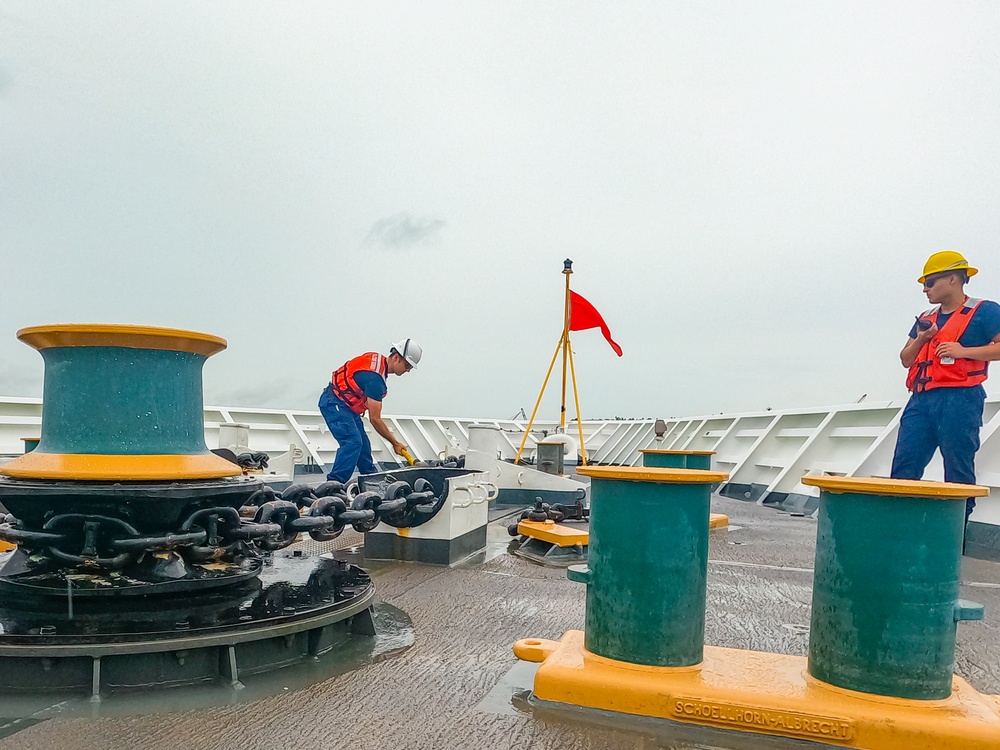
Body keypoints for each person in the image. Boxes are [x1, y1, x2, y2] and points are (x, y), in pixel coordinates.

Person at [891, 251, 1000, 532]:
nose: (925, 289)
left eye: (930, 282)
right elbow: (906, 359)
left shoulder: (985, 311)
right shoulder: (926, 318)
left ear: (953, 279)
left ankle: (954, 540)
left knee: (958, 470)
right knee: (904, 467)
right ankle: (901, 534)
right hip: (921, 399)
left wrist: (963, 351)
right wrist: (923, 338)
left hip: (960, 398)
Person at [319, 338, 422, 483]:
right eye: (407, 366)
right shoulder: (375, 379)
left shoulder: (377, 361)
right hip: (334, 403)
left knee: (363, 445)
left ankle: (371, 480)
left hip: (346, 406)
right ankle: (334, 484)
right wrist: (395, 443)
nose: (408, 370)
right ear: (397, 358)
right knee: (353, 442)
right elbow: (375, 419)